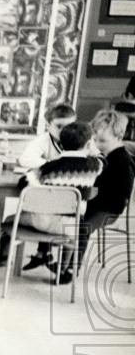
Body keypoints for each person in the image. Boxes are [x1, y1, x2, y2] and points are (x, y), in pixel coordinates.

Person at [0, 121, 102, 275]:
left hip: (41, 222)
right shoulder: (94, 167)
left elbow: (24, 183)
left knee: (7, 222)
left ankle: (2, 257)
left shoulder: (49, 167)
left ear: (61, 143)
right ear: (88, 144)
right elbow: (102, 159)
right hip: (72, 226)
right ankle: (63, 269)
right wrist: (93, 149)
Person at [52, 109, 135, 284]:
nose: (99, 144)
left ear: (119, 137)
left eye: (103, 141)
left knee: (82, 226)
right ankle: (60, 262)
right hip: (95, 202)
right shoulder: (102, 156)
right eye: (96, 140)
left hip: (110, 208)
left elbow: (120, 195)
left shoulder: (121, 159)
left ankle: (72, 268)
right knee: (67, 218)